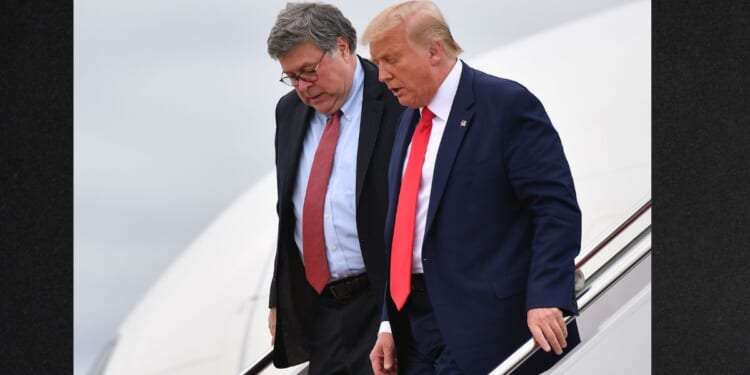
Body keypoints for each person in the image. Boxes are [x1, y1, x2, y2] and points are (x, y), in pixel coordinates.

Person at [361, 1, 582, 374]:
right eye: (377, 63)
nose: (381, 75)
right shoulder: (407, 122)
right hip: (413, 332)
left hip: (485, 326)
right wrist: (387, 322)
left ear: (434, 50)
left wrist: (547, 294)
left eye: (391, 59)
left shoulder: (505, 105)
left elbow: (555, 209)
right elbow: (403, 233)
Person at [265, 2, 404, 374]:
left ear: (342, 48)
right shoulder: (289, 112)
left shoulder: (395, 97)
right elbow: (289, 212)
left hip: (388, 304)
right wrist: (279, 295)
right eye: (292, 77)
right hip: (325, 313)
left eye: (309, 71)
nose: (304, 88)